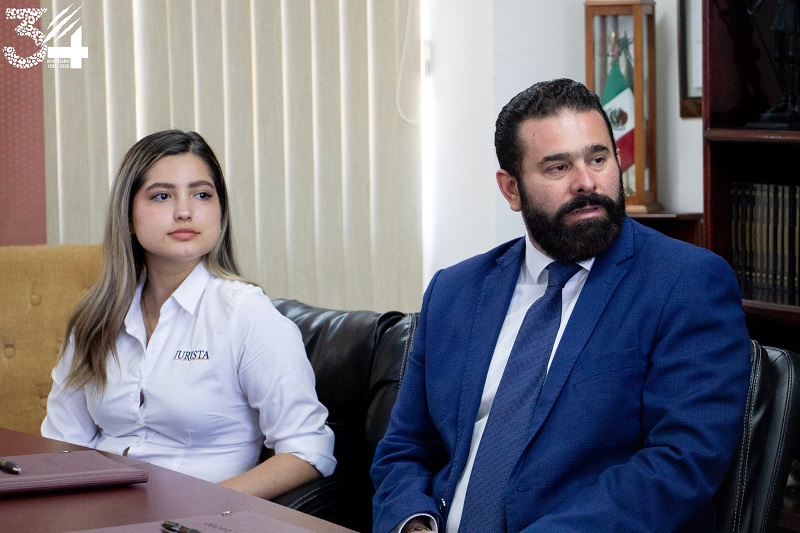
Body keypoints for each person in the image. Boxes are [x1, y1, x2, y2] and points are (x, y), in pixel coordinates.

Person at [370, 79, 751, 532]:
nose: (586, 182)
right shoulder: (455, 291)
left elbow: (680, 463)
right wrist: (413, 524)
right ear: (511, 190)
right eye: (557, 167)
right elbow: (405, 448)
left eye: (598, 158)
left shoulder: (686, 282)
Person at [41, 129, 335, 499]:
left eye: (201, 194)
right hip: (100, 511)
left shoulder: (246, 314)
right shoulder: (96, 319)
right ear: (127, 215)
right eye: (162, 195)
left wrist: (201, 506)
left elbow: (307, 450)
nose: (184, 211)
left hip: (198, 515)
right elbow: (63, 446)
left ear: (220, 211)